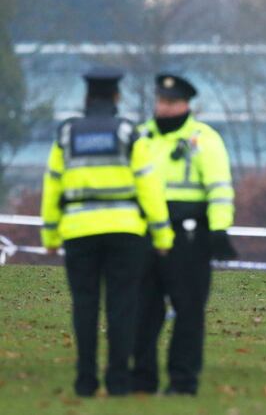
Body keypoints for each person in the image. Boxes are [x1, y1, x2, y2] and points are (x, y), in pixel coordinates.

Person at [40, 67, 174, 397]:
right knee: (122, 306)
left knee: (84, 305)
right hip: (124, 232)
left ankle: (85, 380)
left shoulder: (68, 134)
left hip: (78, 231)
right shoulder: (129, 133)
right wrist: (162, 235)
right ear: (117, 97)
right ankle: (117, 381)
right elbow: (148, 186)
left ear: (86, 98)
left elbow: (52, 185)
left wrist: (50, 235)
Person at [132, 73, 237, 396]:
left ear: (186, 104)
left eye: (171, 102)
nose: (163, 108)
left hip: (189, 237)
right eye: (160, 101)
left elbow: (219, 188)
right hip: (145, 235)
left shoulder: (204, 139)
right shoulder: (140, 137)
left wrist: (219, 229)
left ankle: (182, 381)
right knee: (142, 311)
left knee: (189, 312)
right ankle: (142, 379)